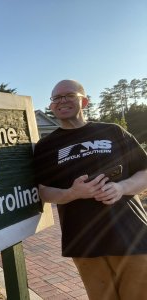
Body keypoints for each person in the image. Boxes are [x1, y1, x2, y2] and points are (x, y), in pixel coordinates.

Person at [34, 79, 147, 300]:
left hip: (132, 235)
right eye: (56, 98)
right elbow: (43, 191)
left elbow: (144, 172)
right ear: (51, 106)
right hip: (84, 240)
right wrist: (73, 193)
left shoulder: (113, 131)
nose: (62, 101)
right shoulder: (45, 147)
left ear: (84, 101)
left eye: (69, 95)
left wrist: (121, 187)